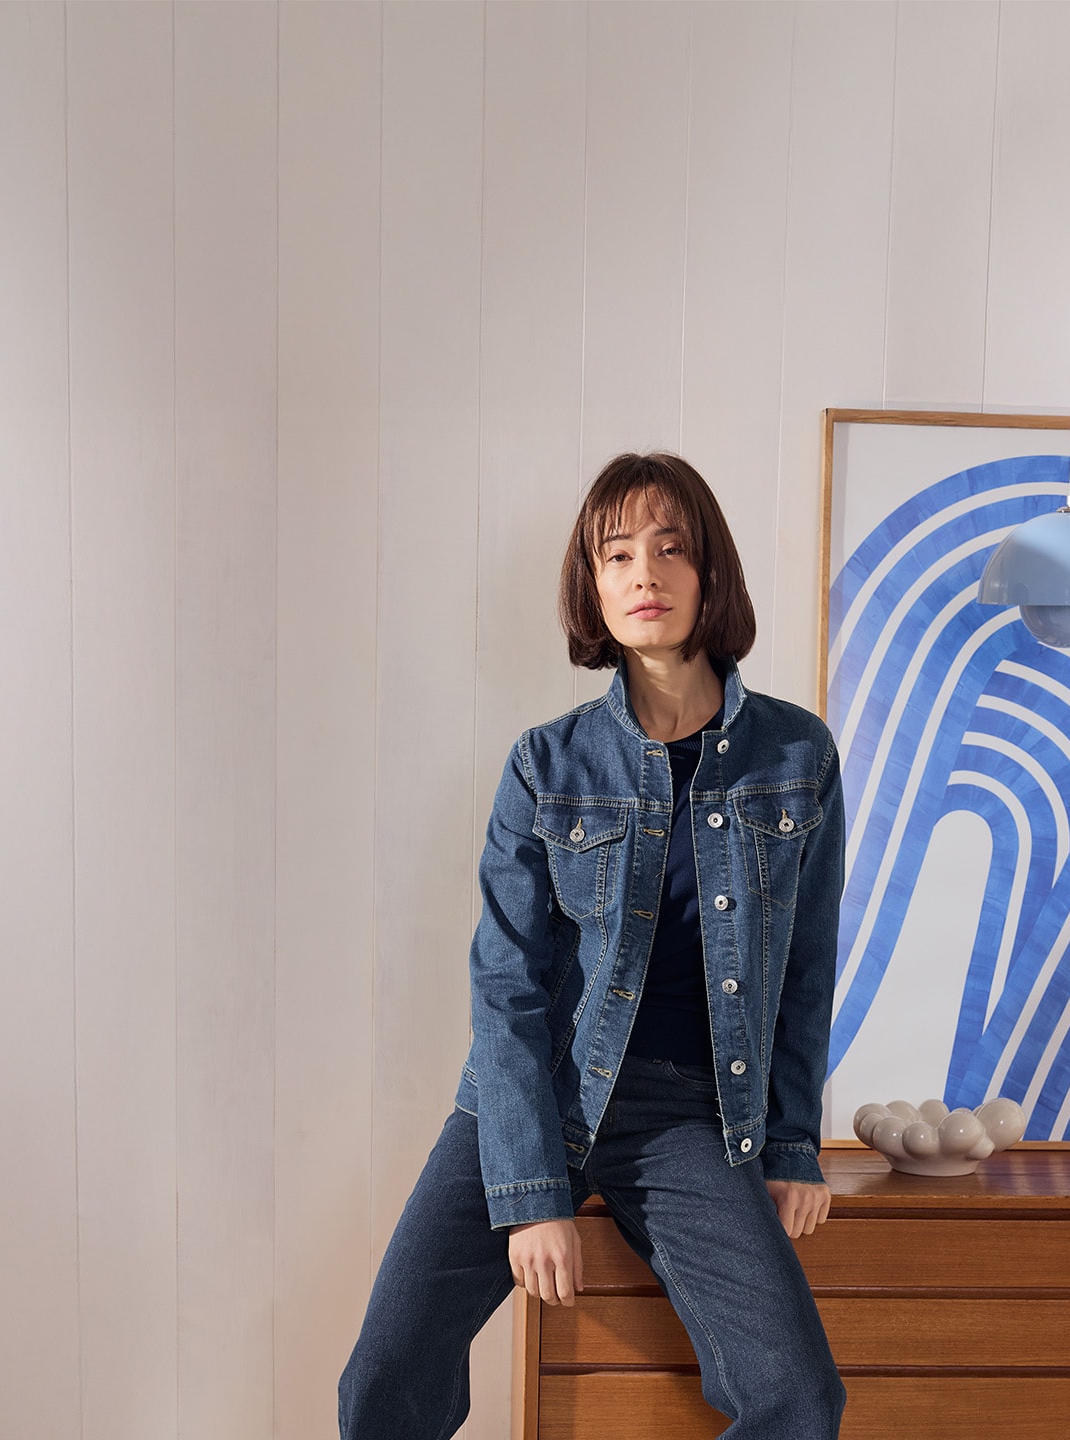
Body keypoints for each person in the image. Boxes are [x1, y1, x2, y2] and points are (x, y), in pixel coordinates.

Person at [337, 452, 848, 1440]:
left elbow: (805, 970)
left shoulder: (796, 758)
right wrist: (531, 1196)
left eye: (670, 549)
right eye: (617, 556)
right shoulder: (547, 763)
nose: (645, 575)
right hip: (531, 1093)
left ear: (710, 574)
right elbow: (507, 991)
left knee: (796, 1391)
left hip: (684, 1109)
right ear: (593, 586)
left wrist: (790, 1142)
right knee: (385, 1375)